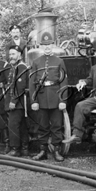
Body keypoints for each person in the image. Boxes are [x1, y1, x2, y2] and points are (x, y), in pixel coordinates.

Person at [63, 39, 96, 166]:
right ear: (94, 54)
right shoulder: (94, 68)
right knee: (80, 105)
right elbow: (89, 79)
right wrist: (82, 82)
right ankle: (77, 134)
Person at [29, 33, 68, 162]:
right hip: (40, 98)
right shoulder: (36, 62)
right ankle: (43, 151)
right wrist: (33, 101)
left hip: (55, 97)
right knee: (43, 126)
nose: (47, 47)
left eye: (49, 44)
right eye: (44, 45)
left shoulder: (59, 61)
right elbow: (32, 83)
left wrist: (63, 100)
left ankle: (56, 151)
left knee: (57, 125)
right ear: (41, 46)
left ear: (53, 44)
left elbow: (63, 82)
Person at [5, 45, 29, 157]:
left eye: (13, 54)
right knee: (22, 126)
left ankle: (15, 149)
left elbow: (20, 87)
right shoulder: (14, 67)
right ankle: (24, 148)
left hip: (18, 102)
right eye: (10, 54)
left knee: (13, 125)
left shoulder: (21, 67)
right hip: (18, 102)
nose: (11, 56)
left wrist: (13, 101)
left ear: (19, 55)